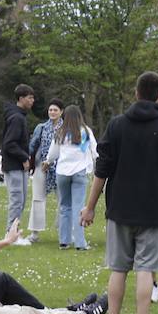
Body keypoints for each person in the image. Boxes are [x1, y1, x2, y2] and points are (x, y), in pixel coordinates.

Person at [79, 71, 158, 314]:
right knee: (145, 269)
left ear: (136, 93)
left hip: (120, 209)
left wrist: (90, 207)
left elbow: (101, 171)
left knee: (118, 269)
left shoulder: (116, 126)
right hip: (155, 209)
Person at [45, 104, 96, 251]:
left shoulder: (60, 132)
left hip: (62, 172)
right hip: (79, 171)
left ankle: (64, 241)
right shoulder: (85, 132)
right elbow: (94, 151)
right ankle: (80, 243)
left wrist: (47, 162)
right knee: (79, 207)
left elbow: (53, 153)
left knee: (64, 206)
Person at [18, 99, 62, 246]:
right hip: (40, 167)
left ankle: (63, 230)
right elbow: (32, 146)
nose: (52, 112)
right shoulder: (41, 127)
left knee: (63, 201)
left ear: (61, 112)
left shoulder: (66, 128)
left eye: (55, 110)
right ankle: (35, 233)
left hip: (60, 168)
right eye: (50, 110)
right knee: (37, 199)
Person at [1, 85, 35, 228]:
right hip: (14, 166)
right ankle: (11, 233)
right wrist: (24, 158)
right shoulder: (16, 118)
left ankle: (14, 233)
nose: (32, 100)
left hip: (18, 166)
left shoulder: (20, 116)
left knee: (21, 200)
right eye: (29, 97)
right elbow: (9, 143)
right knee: (16, 200)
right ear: (21, 99)